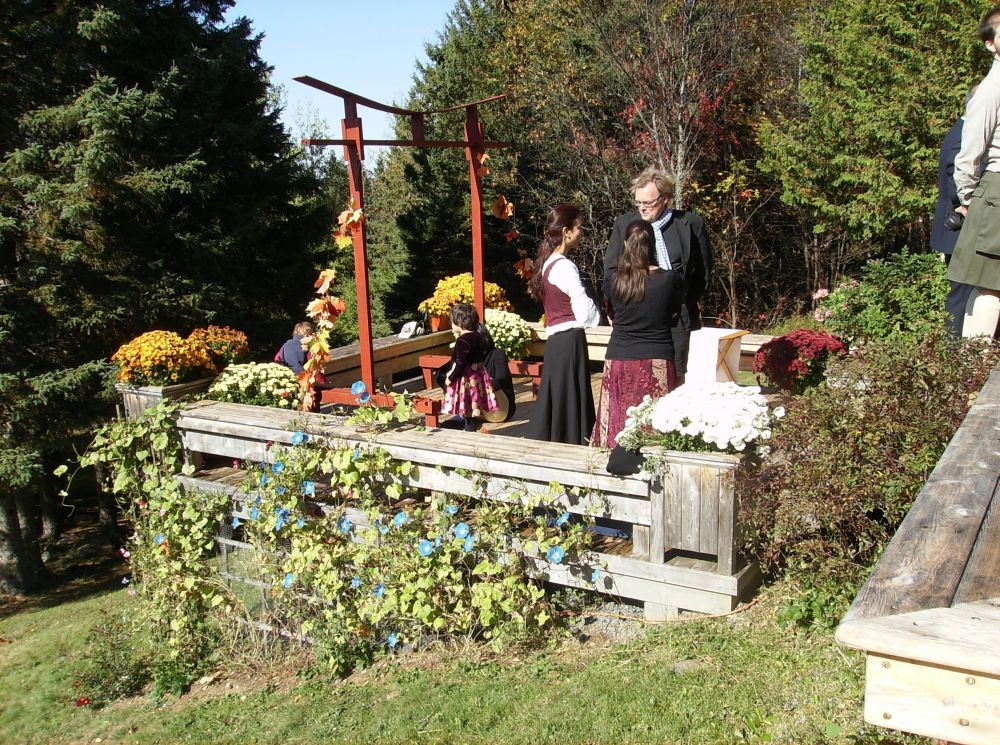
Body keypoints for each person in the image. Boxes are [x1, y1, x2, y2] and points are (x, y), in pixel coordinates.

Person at [603, 166, 712, 384]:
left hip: (676, 320)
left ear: (664, 199)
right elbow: (611, 271)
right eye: (638, 202)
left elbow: (703, 275)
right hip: (634, 320)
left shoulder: (690, 224)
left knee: (674, 380)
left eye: (648, 203)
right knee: (634, 383)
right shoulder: (625, 225)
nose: (642, 208)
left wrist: (679, 304)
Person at [591, 220, 685, 449]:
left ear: (625, 243)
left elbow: (612, 316)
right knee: (657, 427)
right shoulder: (670, 279)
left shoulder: (614, 281)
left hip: (620, 359)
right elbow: (674, 315)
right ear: (652, 244)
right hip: (658, 358)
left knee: (616, 426)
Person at [527, 204, 601, 445]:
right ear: (566, 231)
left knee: (560, 398)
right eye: (579, 227)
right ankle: (570, 445)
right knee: (568, 398)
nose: (581, 232)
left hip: (558, 342)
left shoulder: (548, 263)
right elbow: (586, 314)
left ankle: (559, 443)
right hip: (569, 341)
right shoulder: (564, 266)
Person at [948, 6, 1000, 338]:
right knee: (990, 284)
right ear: (990, 43)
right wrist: (968, 200)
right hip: (996, 191)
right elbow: (968, 155)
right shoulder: (992, 88)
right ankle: (973, 367)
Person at [931, 87, 978, 334]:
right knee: (960, 297)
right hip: (960, 226)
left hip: (960, 226)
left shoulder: (962, 131)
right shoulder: (963, 135)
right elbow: (954, 178)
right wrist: (965, 204)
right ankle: (953, 350)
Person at [435, 322, 516, 431]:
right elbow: (440, 374)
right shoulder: (466, 357)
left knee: (472, 384)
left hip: (499, 408)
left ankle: (462, 420)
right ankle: (463, 419)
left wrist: (481, 386)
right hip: (474, 408)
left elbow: (502, 380)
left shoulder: (497, 354)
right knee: (460, 382)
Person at [441, 303, 499, 423]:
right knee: (474, 403)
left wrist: (450, 378)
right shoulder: (478, 336)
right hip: (478, 376)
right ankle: (471, 427)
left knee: (467, 406)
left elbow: (460, 363)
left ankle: (469, 429)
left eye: (452, 321)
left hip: (467, 378)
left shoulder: (462, 340)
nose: (451, 324)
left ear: (460, 321)